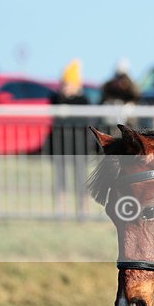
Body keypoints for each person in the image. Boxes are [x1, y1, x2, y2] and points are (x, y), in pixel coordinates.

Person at [49, 59, 90, 217]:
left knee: (81, 180)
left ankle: (83, 212)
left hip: (78, 146)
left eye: (68, 83)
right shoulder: (56, 99)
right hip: (61, 146)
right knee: (61, 181)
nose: (64, 87)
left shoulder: (83, 101)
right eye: (63, 83)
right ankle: (62, 212)